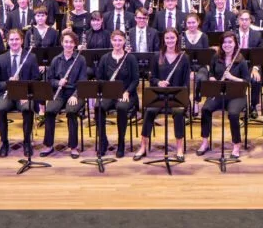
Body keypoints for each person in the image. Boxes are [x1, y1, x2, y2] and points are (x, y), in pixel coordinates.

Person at [134, 28, 190, 161]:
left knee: (178, 112)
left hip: (177, 97)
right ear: (163, 40)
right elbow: (152, 78)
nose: (170, 40)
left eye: (172, 38)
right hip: (159, 96)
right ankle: (143, 146)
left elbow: (186, 81)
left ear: (177, 39)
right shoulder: (157, 56)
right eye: (167, 38)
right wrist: (158, 83)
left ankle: (179, 148)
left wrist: (183, 97)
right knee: (149, 111)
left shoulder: (184, 57)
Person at [195, 32, 250, 159]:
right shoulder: (216, 57)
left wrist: (232, 77)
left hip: (237, 95)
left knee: (233, 114)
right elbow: (211, 73)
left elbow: (247, 81)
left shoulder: (241, 60)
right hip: (219, 93)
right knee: (206, 109)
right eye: (224, 42)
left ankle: (236, 144)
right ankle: (205, 142)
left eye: (230, 42)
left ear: (235, 44)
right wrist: (212, 78)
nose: (227, 45)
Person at [0, 29, 42, 157]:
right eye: (11, 40)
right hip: (6, 94)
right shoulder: (0, 59)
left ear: (22, 41)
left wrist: (25, 92)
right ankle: (4, 142)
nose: (14, 42)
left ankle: (27, 142)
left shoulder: (31, 57)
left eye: (17, 39)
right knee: (0, 109)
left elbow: (36, 79)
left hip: (24, 94)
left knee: (28, 108)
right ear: (7, 42)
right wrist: (8, 83)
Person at [93, 31, 139, 157]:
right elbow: (100, 78)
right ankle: (103, 141)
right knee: (98, 107)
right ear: (111, 41)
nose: (117, 43)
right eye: (115, 40)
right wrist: (105, 89)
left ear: (124, 41)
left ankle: (121, 143)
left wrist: (127, 92)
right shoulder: (105, 58)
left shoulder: (130, 58)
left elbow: (135, 79)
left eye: (120, 40)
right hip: (110, 93)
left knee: (122, 107)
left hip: (127, 94)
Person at [41, 30, 86, 158]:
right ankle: (48, 145)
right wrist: (58, 82)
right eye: (66, 42)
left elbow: (83, 81)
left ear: (75, 44)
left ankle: (73, 146)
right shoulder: (56, 60)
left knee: (71, 111)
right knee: (49, 111)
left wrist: (75, 95)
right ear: (62, 43)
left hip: (76, 92)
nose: (68, 45)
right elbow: (50, 80)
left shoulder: (80, 60)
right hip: (59, 92)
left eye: (71, 42)